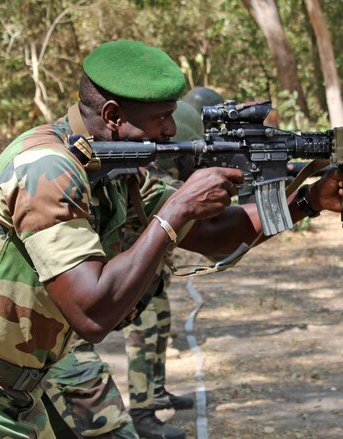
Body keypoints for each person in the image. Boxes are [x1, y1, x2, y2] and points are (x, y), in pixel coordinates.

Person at [0, 39, 343, 438]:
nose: (170, 131)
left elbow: (209, 234)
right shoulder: (47, 169)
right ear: (114, 113)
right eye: (162, 117)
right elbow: (93, 311)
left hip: (22, 387)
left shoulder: (116, 165)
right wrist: (175, 208)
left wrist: (306, 201)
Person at [121, 100, 206, 439]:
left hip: (153, 275)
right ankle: (141, 412)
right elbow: (208, 230)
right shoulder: (149, 180)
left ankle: (155, 392)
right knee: (143, 331)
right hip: (135, 275)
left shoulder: (159, 175)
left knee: (160, 321)